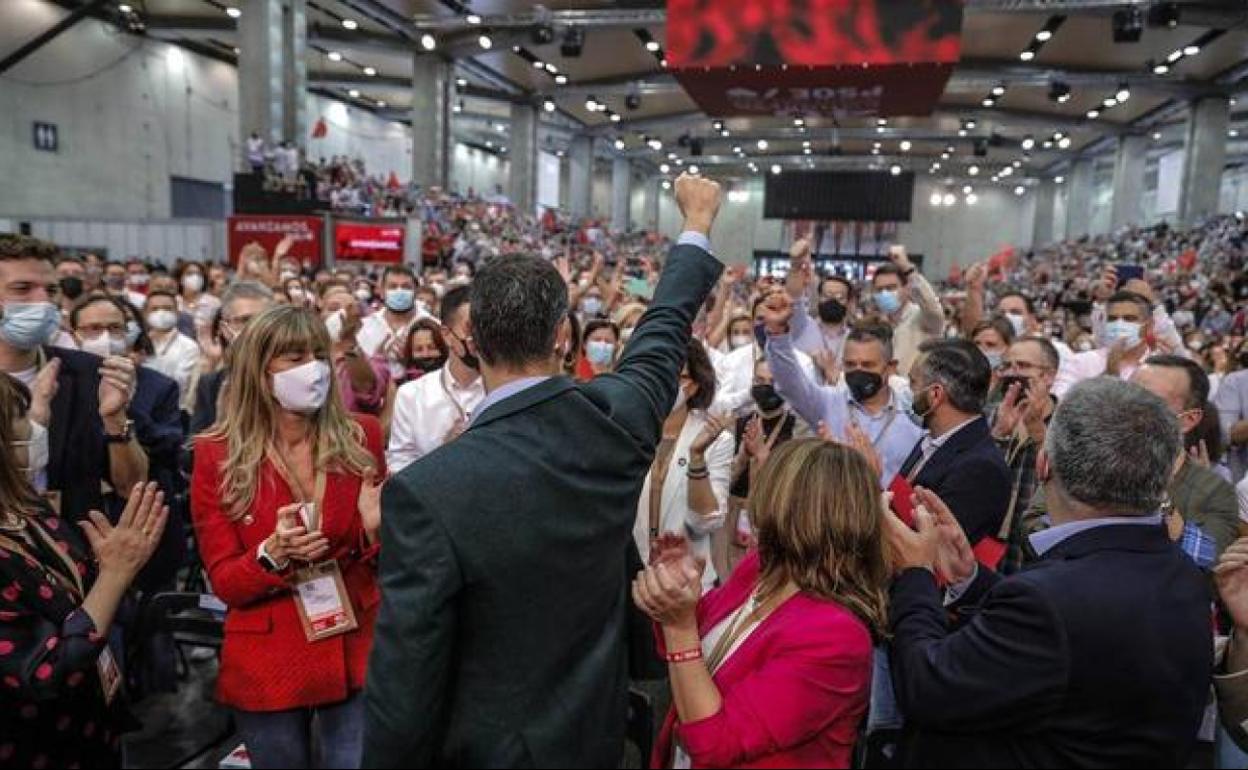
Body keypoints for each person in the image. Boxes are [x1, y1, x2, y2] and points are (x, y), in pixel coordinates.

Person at [363, 173, 727, 768]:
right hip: (595, 735)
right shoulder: (616, 424)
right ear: (564, 336)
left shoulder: (425, 493)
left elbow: (404, 685)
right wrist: (696, 224)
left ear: (472, 340)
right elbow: (663, 331)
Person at [884, 378, 1213, 768]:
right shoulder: (1183, 573)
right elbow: (1076, 641)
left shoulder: (1047, 601)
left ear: (1044, 465)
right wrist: (971, 579)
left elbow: (927, 686)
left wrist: (915, 572)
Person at [190, 306, 385, 769]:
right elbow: (226, 582)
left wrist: (378, 532)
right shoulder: (215, 454)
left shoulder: (363, 435)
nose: (313, 368)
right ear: (258, 370)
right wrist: (270, 555)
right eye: (294, 358)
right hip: (268, 653)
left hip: (355, 637)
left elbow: (384, 560)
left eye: (319, 354)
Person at [634, 440, 885, 769]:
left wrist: (678, 627)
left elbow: (714, 743)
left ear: (793, 509)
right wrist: (677, 590)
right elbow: (701, 647)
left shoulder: (838, 637)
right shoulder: (762, 569)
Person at [0, 235, 148, 522]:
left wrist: (115, 420)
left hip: (65, 554)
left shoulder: (90, 373)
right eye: (22, 289)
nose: (43, 301)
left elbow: (131, 487)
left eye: (51, 289)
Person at [763, 295, 922, 485]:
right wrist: (777, 333)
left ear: (890, 367)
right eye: (850, 364)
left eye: (868, 365)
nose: (858, 371)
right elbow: (790, 382)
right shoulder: (827, 403)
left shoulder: (913, 417)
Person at [631, 338, 734, 590]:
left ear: (694, 385)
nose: (664, 384)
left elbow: (704, 522)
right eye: (659, 374)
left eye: (677, 377)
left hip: (687, 582)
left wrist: (697, 457)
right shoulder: (626, 429)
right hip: (630, 580)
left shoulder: (716, 439)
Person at [901, 339, 1012, 549]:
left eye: (913, 383)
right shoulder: (931, 440)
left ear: (935, 395)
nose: (907, 392)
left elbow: (936, 547)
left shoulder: (980, 468)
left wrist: (869, 483)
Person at [385, 286, 484, 474]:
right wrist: (443, 454)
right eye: (470, 329)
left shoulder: (505, 390)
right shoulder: (412, 395)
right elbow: (399, 464)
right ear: (446, 334)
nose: (478, 339)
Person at [990, 336, 1061, 574]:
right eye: (1007, 366)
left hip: (1037, 552)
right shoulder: (991, 416)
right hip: (989, 548)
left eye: (1023, 366)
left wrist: (1038, 431)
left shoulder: (1071, 423)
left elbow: (1068, 483)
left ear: (1048, 376)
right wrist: (999, 433)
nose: (1013, 374)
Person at [189, 281, 275, 436]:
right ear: (225, 329)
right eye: (245, 320)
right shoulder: (212, 385)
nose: (255, 328)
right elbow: (190, 453)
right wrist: (220, 427)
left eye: (263, 319)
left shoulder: (297, 373)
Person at [1054, 290, 1155, 397]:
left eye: (1129, 319)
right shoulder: (1081, 362)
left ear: (1148, 326)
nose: (1119, 324)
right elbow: (1061, 401)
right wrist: (1107, 374)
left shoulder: (1158, 366)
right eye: (1112, 319)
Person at [870, 246, 944, 376]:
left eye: (891, 287)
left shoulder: (922, 318)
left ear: (906, 288)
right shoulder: (875, 326)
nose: (885, 293)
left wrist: (907, 268)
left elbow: (932, 305)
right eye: (879, 290)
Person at [785, 236, 856, 364]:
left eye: (839, 297)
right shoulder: (802, 326)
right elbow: (793, 297)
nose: (832, 301)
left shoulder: (856, 337)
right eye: (827, 295)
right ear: (818, 299)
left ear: (849, 302)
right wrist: (796, 265)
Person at [356, 266, 430, 379]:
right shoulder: (364, 326)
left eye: (406, 287)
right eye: (393, 287)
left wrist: (411, 361)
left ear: (416, 291)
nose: (399, 291)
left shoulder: (433, 325)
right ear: (381, 291)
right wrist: (378, 360)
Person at [142, 290, 201, 411]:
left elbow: (180, 384)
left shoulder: (189, 346)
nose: (161, 313)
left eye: (167, 308)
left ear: (178, 313)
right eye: (155, 309)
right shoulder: (138, 344)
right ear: (145, 313)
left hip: (175, 412)